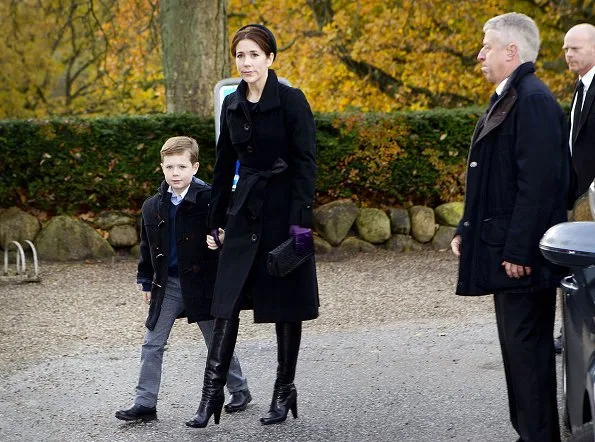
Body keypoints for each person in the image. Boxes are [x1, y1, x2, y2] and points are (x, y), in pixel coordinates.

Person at [185, 24, 319, 428]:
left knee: (285, 303)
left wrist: (300, 228)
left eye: (253, 55)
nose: (246, 63)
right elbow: (224, 165)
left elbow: (307, 165)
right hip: (245, 212)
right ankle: (210, 398)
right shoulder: (232, 105)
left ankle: (284, 390)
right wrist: (216, 219)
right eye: (240, 55)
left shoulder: (293, 101)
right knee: (225, 302)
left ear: (270, 58)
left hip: (285, 214)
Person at [450, 13, 568, 442]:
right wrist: (466, 226)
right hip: (506, 250)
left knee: (529, 353)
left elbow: (538, 186)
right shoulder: (510, 96)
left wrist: (519, 251)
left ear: (511, 52)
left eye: (487, 46)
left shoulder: (532, 100)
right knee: (516, 352)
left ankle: (538, 436)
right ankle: (528, 433)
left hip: (521, 258)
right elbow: (491, 175)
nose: (480, 54)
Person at [115, 136, 251, 422]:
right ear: (162, 168)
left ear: (195, 167)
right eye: (169, 167)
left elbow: (234, 231)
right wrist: (145, 281)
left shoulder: (211, 199)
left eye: (181, 166)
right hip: (168, 284)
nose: (175, 173)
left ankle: (239, 389)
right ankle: (145, 403)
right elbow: (146, 247)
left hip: (204, 284)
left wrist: (221, 238)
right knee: (152, 342)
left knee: (215, 341)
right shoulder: (152, 206)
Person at [563, 23, 595, 200]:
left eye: (575, 48)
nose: (568, 54)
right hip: (579, 197)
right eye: (566, 49)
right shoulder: (580, 87)